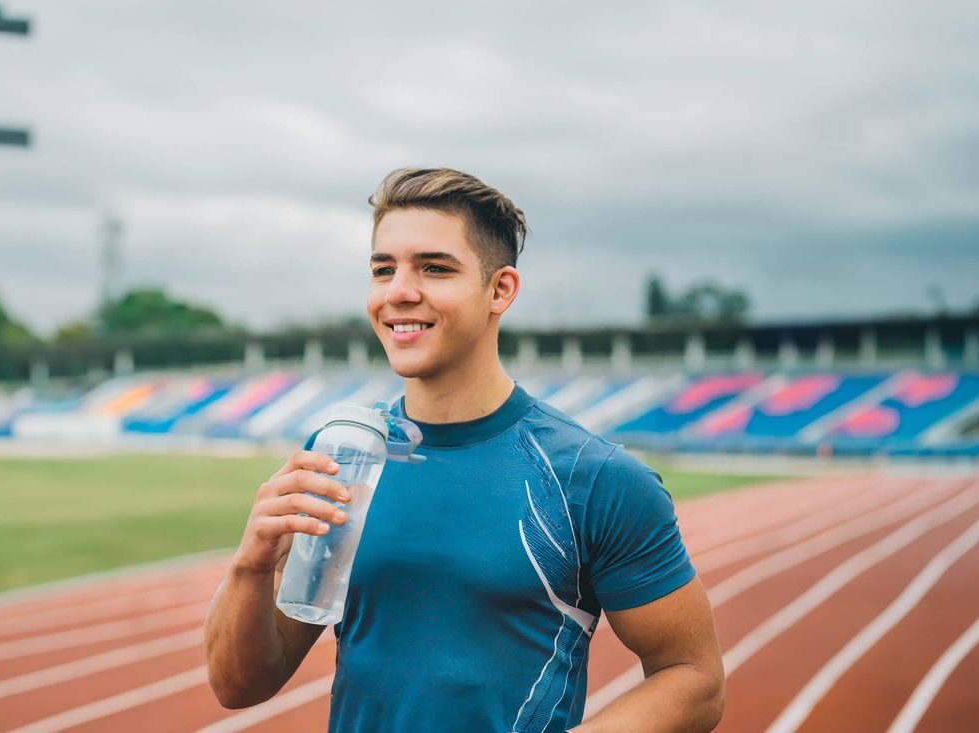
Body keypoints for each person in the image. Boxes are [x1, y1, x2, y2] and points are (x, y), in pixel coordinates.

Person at [205, 168, 725, 732]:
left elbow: (692, 677)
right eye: (384, 269)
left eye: (434, 267)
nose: (399, 291)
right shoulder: (341, 458)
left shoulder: (595, 477)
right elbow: (240, 684)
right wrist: (252, 566)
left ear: (500, 289)